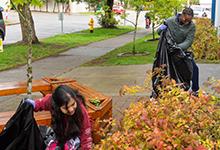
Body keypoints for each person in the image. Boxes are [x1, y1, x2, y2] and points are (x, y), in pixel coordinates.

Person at [26, 85, 92, 150]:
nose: (71, 109)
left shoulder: (81, 111)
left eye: (73, 104)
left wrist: (86, 148)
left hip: (74, 136)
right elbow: (42, 103)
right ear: (57, 106)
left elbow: (86, 133)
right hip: (59, 134)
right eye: (65, 108)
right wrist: (33, 104)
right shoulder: (51, 102)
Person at [157, 7, 199, 96]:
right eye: (186, 20)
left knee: (194, 69)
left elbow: (189, 41)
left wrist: (177, 48)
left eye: (189, 20)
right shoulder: (170, 21)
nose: (187, 22)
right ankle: (161, 90)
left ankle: (195, 90)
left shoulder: (191, 26)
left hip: (181, 52)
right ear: (182, 15)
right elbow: (158, 32)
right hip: (168, 52)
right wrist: (161, 28)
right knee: (164, 71)